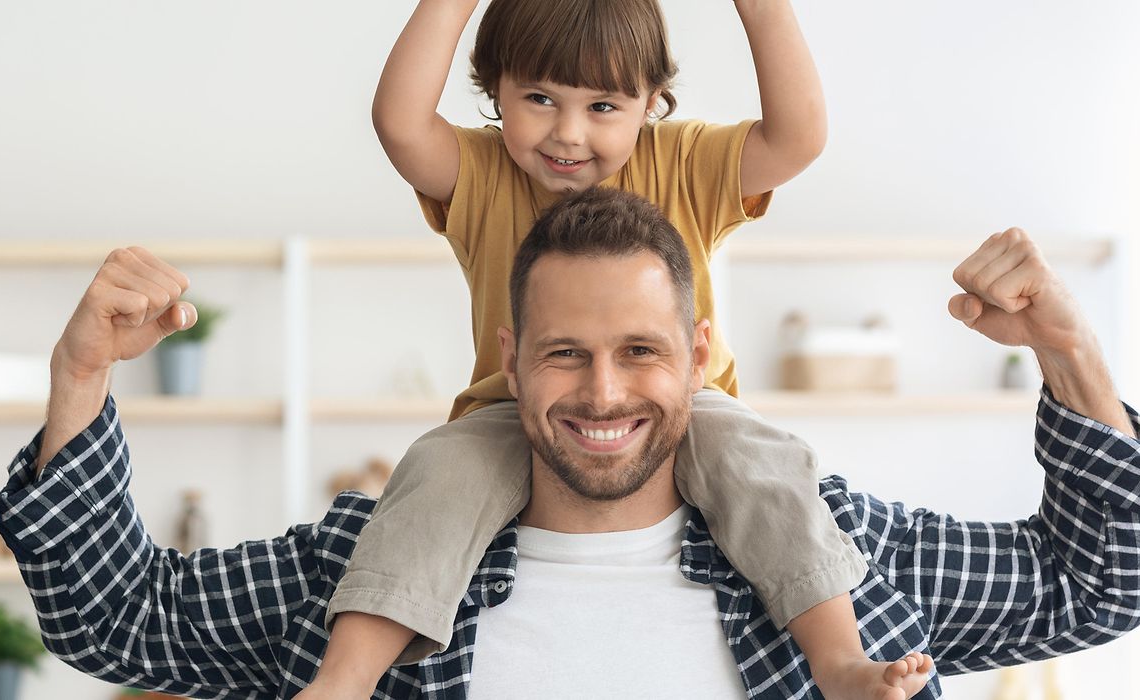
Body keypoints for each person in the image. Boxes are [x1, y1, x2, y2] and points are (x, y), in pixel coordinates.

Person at [0, 188, 1140, 700]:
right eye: (565, 354)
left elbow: (1098, 584)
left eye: (639, 352)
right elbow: (118, 619)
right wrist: (80, 381)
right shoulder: (368, 570)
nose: (602, 391)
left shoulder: (842, 554)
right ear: (511, 359)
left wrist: (1072, 356)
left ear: (697, 350)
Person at [334, 1, 887, 694]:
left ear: (652, 103)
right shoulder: (479, 174)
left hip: (688, 406)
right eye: (538, 99)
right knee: (436, 475)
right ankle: (344, 681)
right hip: (515, 409)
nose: (567, 134)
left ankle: (838, 660)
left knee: (763, 465)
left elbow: (799, 137)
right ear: (494, 90)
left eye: (603, 106)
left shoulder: (683, 161)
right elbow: (399, 122)